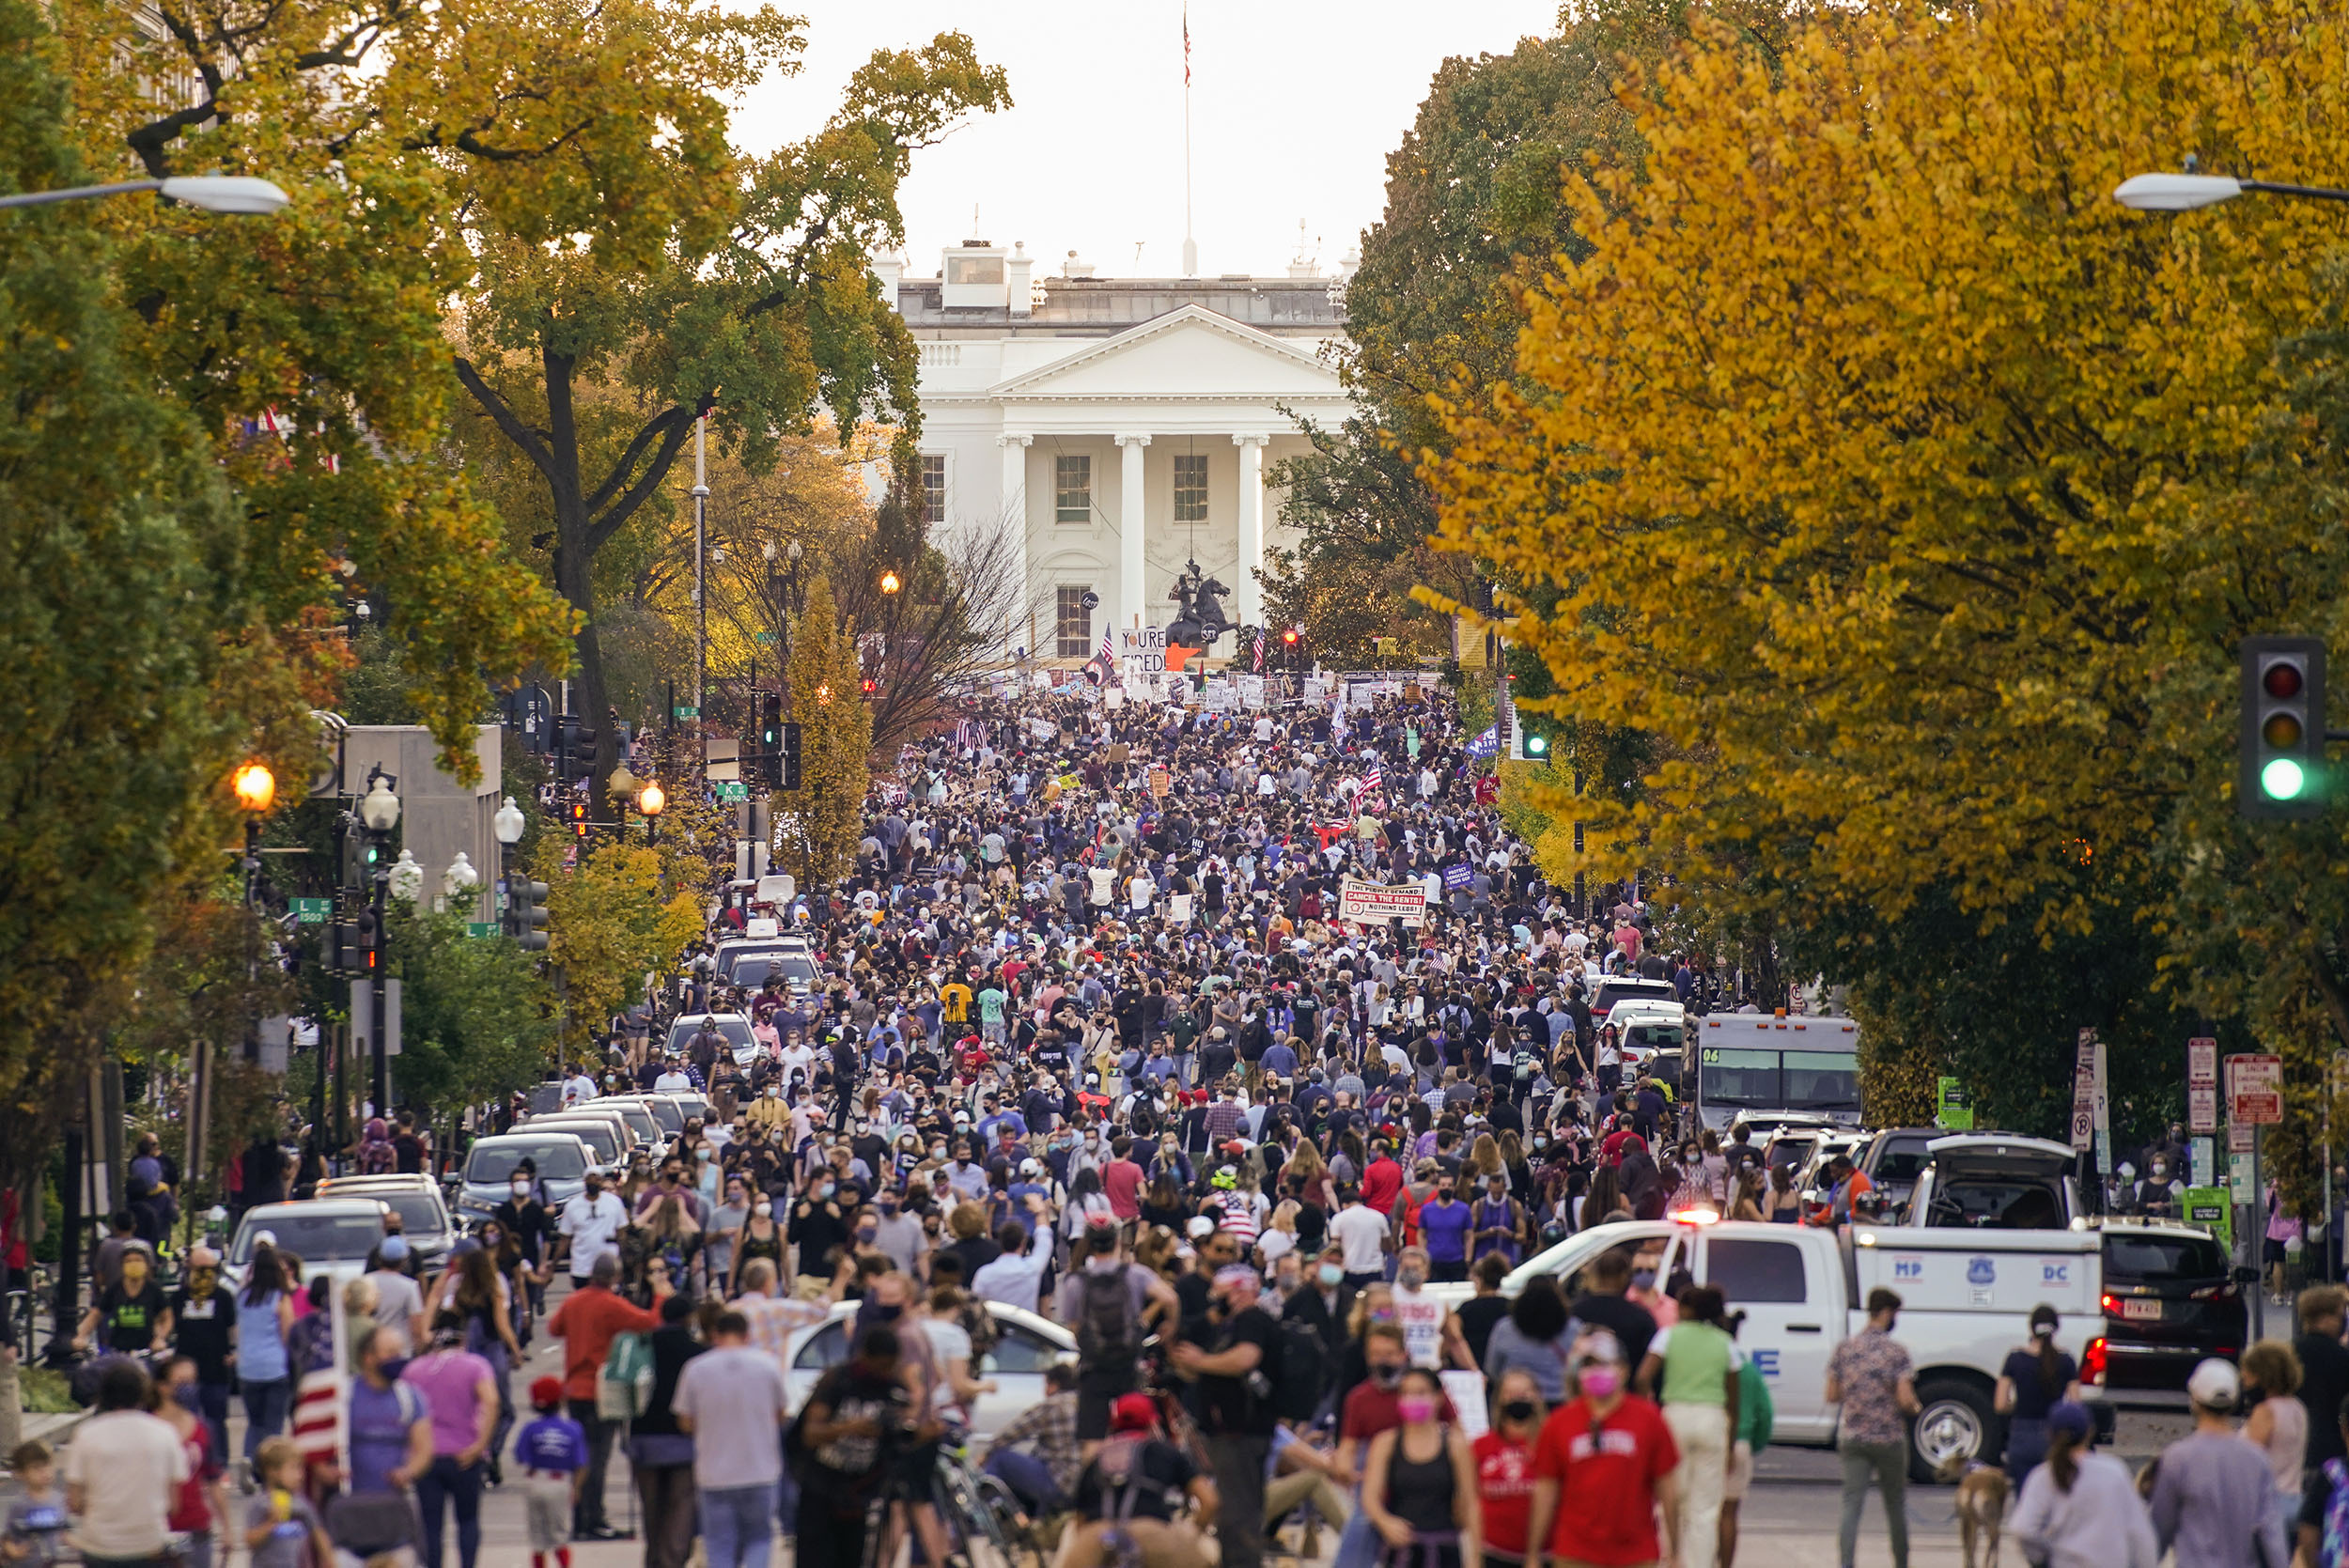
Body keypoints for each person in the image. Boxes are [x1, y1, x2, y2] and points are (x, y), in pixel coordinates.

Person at [1524, 1328, 1680, 1568]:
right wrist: (1534, 1552)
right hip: (1575, 1552)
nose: (1596, 1372)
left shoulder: (1649, 1420)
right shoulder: (1559, 1424)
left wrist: (1676, 1550)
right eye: (1588, 1365)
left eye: (1604, 1364)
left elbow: (1667, 1487)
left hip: (1635, 1553)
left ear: (1624, 1370)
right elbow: (1546, 1490)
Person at [547, 1251, 665, 1540]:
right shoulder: (611, 1305)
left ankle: (579, 1519)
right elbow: (650, 1322)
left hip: (574, 1389)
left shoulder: (573, 1301)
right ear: (614, 1278)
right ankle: (593, 1519)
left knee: (580, 1456)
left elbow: (554, 1328)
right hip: (599, 1390)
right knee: (597, 1458)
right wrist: (661, 1295)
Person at [1171, 1265, 1283, 1568]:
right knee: (1237, 1510)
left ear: (1238, 1292)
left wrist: (1202, 1361)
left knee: (1238, 1513)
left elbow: (1245, 1359)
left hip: (1241, 1433)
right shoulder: (1231, 1325)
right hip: (1230, 1432)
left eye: (1220, 1296)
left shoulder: (1251, 1320)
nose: (1215, 1302)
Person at [673, 1307, 795, 1568]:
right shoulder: (767, 1365)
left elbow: (685, 1421)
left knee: (719, 1542)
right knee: (759, 1538)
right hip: (760, 1471)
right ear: (747, 1334)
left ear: (716, 1334)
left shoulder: (696, 1369)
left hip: (714, 1474)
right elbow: (781, 1413)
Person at [1635, 1284, 1741, 1568]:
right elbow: (1733, 1400)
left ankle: (1672, 1558)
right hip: (1712, 1418)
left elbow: (1643, 1376)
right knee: (1705, 1508)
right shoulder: (1725, 1342)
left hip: (1674, 1418)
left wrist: (1649, 1406)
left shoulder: (1668, 1335)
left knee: (1671, 1497)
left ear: (1687, 1310)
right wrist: (1730, 1446)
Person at [795, 1322, 913, 1568]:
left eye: (889, 1366)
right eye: (880, 1366)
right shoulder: (838, 1381)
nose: (884, 1372)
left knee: (852, 1558)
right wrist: (849, 1428)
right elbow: (810, 1433)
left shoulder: (891, 1389)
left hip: (858, 1493)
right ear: (865, 1357)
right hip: (821, 1489)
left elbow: (899, 1434)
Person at [2149, 1358, 2284, 1568]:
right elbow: (2270, 1534)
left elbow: (2160, 1529)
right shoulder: (2257, 1460)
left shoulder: (2178, 1458)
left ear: (2194, 1400)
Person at [1062, 1391, 1221, 1568]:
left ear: (1112, 1424)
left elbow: (1080, 1521)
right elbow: (1209, 1501)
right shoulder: (1165, 1452)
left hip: (1098, 1536)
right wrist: (1192, 1533)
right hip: (1151, 1532)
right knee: (1209, 1553)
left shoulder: (1095, 1460)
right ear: (1152, 1422)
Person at [1825, 1287, 1920, 1568]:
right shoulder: (1897, 1352)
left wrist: (1858, 1393)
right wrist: (1915, 1407)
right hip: (1889, 1438)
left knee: (1851, 1503)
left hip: (1853, 1436)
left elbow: (1831, 1395)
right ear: (1888, 1313)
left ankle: (1846, 1563)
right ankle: (1901, 1562)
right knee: (1895, 1505)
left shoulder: (1846, 1348)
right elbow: (1905, 1398)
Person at [63, 1359, 189, 1568]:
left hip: (99, 1544)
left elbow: (75, 1502)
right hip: (149, 1543)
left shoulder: (87, 1434)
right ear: (144, 1394)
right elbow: (174, 1504)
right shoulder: (164, 1433)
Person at [400, 1308, 502, 1568]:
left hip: (427, 1455)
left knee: (430, 1524)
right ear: (462, 1337)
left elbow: (402, 1411)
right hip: (464, 1453)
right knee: (467, 1520)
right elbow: (490, 1401)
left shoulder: (413, 1370)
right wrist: (481, 1444)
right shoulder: (475, 1366)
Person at [2010, 1401, 2157, 1568]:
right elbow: (2139, 1533)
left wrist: (2041, 1558)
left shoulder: (2043, 1477)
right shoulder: (2114, 1472)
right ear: (2090, 1432)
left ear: (2049, 1434)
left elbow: (2024, 1529)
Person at [1361, 1366, 1483, 1568]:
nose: (1413, 1399)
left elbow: (1470, 1503)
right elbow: (1370, 1496)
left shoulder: (1455, 1445)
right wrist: (1384, 1521)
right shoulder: (1385, 1443)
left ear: (1438, 1397)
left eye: (1420, 1393)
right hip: (1401, 1549)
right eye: (1407, 1393)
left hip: (1444, 1548)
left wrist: (1475, 1558)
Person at [334, 1325, 434, 1565]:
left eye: (399, 1352)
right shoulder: (344, 1397)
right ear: (369, 1358)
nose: (398, 1359)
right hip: (350, 1511)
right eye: (390, 1353)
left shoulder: (410, 1398)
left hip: (394, 1512)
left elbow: (424, 1448)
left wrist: (408, 1472)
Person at [630, 1292, 706, 1568]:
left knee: (652, 1509)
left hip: (643, 1439)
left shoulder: (642, 1345)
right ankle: (672, 1559)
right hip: (682, 1442)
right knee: (681, 1506)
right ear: (689, 1318)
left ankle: (653, 1559)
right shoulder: (698, 1353)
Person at [167, 1246, 237, 1469]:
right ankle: (189, 1464)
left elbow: (232, 1327)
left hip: (216, 1368)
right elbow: (169, 1325)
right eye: (200, 1268)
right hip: (186, 1371)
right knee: (187, 1418)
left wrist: (234, 1351)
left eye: (209, 1268)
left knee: (216, 1419)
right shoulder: (179, 1298)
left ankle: (219, 1463)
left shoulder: (224, 1297)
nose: (205, 1273)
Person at [1994, 1304, 2078, 1483]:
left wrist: (2016, 1405)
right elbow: (2075, 1405)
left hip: (2021, 1435)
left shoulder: (2015, 1358)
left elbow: (2000, 1404)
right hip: (2054, 1437)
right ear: (2056, 1329)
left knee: (2024, 1503)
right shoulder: (2066, 1360)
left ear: (2031, 1328)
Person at [513, 1375, 588, 1568]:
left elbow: (520, 1456)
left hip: (535, 1480)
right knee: (559, 1533)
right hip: (559, 1482)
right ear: (560, 1401)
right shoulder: (573, 1428)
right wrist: (577, 1488)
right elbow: (581, 1463)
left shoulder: (531, 1428)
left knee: (537, 1536)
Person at [1472, 1369, 1544, 1568]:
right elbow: (1468, 1502)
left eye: (1524, 1393)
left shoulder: (1550, 1444)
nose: (1517, 1399)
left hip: (1545, 1554)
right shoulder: (1481, 1446)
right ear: (1499, 1400)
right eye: (1510, 1394)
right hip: (1493, 1553)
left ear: (1537, 1397)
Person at [2239, 1340, 2307, 1548]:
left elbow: (2250, 1460)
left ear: (2262, 1375)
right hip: (2294, 1501)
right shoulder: (2298, 1408)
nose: (2244, 1380)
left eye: (2248, 1375)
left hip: (2266, 1506)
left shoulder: (2265, 1412)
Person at [242, 1436, 332, 1568]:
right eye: (294, 1468)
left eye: (301, 1469)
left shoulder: (301, 1504)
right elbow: (250, 1541)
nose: (300, 1475)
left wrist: (330, 1561)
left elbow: (319, 1534)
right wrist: (271, 1523)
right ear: (273, 1472)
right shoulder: (260, 1504)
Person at [1482, 1278, 1575, 1405]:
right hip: (1560, 1399)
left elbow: (1492, 1368)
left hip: (1517, 1401)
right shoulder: (1573, 1328)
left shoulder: (1505, 1328)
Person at [1566, 1249, 1657, 1372]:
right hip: (1625, 1389)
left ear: (1594, 1275)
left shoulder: (1572, 1313)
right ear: (1625, 1277)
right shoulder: (1641, 1318)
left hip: (1579, 1388)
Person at [2299, 1287, 2349, 1475]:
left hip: (2295, 1448)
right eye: (2340, 1315)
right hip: (2332, 1450)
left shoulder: (2288, 1354)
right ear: (2325, 1318)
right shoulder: (2343, 1357)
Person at [3, 1438, 70, 1566]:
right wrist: (13, 1551)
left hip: (51, 1562)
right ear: (21, 1474)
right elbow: (8, 1537)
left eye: (48, 1465)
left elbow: (64, 1529)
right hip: (26, 1563)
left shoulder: (59, 1499)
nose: (45, 1472)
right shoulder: (20, 1504)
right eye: (36, 1468)